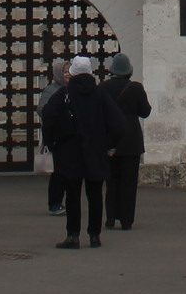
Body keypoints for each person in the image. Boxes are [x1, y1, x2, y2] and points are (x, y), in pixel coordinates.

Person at [40, 55, 127, 249]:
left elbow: (48, 117)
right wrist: (110, 145)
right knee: (95, 193)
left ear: (72, 73)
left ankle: (73, 236)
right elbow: (119, 124)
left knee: (72, 194)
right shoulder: (100, 94)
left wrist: (54, 143)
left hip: (70, 152)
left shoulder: (64, 94)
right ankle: (94, 235)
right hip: (96, 151)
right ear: (90, 73)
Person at [98, 54, 152, 231]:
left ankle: (111, 217)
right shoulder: (135, 88)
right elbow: (145, 112)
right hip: (131, 141)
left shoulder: (104, 87)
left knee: (111, 180)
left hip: (110, 140)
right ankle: (127, 219)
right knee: (128, 182)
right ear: (129, 71)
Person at [37, 58, 70, 215]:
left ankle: (65, 201)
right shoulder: (51, 90)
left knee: (68, 171)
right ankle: (55, 203)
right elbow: (41, 109)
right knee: (58, 172)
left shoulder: (73, 88)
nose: (68, 74)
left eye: (70, 71)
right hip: (56, 136)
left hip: (68, 136)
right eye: (65, 71)